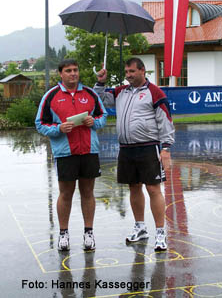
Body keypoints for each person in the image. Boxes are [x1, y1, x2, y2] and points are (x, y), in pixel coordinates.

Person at [94, 57, 175, 251]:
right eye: (127, 72)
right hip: (126, 149)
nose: (128, 75)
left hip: (149, 148)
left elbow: (166, 121)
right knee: (134, 188)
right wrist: (100, 82)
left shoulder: (155, 92)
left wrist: (165, 149)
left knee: (154, 190)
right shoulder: (121, 91)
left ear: (142, 71)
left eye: (132, 71)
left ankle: (161, 233)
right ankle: (140, 228)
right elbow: (99, 99)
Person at [35, 58, 107, 251]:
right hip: (65, 153)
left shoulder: (90, 94)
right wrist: (59, 128)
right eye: (68, 70)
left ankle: (88, 233)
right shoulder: (51, 96)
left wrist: (95, 122)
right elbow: (40, 124)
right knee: (66, 194)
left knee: (88, 193)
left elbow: (103, 116)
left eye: (75, 70)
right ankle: (63, 234)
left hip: (89, 151)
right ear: (61, 73)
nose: (73, 73)